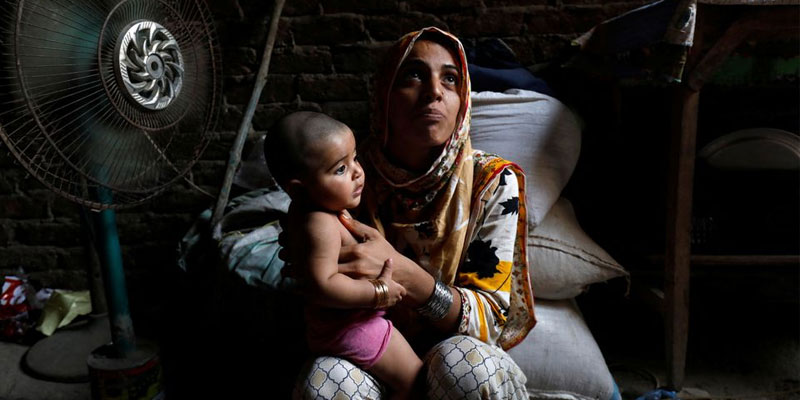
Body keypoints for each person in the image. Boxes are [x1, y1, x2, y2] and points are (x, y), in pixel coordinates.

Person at [287, 27, 537, 399]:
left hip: (456, 348)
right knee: (324, 382)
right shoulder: (345, 179)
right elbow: (313, 274)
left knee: (466, 366)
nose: (434, 91)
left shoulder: (492, 182)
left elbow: (491, 323)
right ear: (385, 95)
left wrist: (402, 273)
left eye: (450, 79)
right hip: (368, 350)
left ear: (463, 100)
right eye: (415, 74)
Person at [264, 111, 424, 399]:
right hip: (353, 328)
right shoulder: (319, 223)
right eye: (340, 169)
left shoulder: (315, 209)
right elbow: (321, 285)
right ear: (299, 190)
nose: (357, 172)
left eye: (355, 158)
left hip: (344, 325)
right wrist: (378, 291)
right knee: (417, 382)